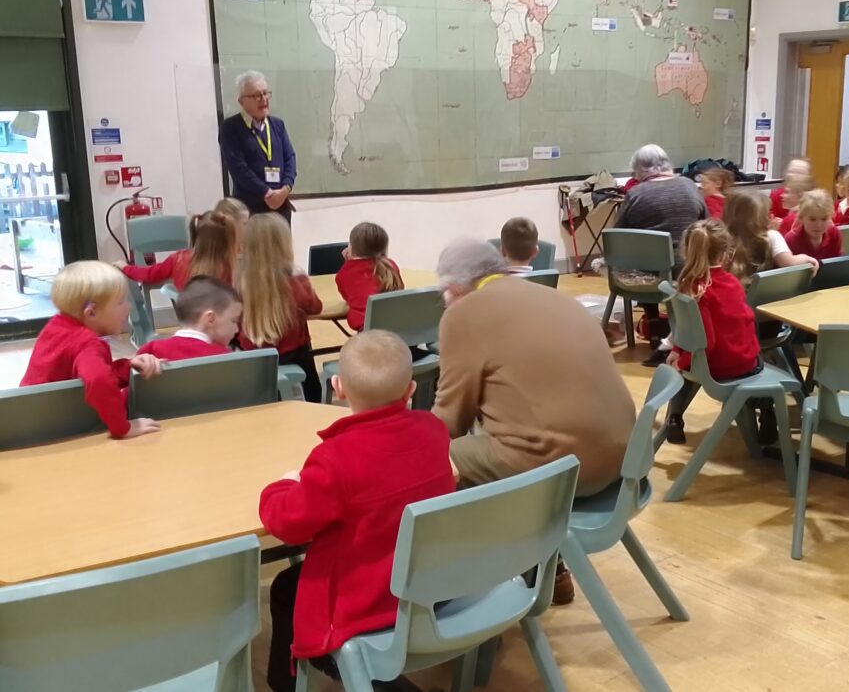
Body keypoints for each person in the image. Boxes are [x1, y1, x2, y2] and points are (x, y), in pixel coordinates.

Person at [432, 239, 636, 603]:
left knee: (433, 461)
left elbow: (448, 422)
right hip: (625, 462)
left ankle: (459, 591)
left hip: (561, 474)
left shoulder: (463, 315)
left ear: (451, 291)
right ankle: (548, 567)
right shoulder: (556, 297)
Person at [261, 330, 455, 692]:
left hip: (366, 605)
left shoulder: (334, 459)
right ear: (411, 389)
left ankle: (290, 682)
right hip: (429, 582)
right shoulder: (434, 430)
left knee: (286, 587)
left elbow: (288, 524)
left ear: (338, 387)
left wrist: (280, 487)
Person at [21, 261, 162, 439]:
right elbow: (98, 380)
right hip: (49, 426)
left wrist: (128, 366)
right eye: (120, 302)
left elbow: (80, 374)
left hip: (27, 411)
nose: (128, 307)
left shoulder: (56, 327)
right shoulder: (87, 344)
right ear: (92, 313)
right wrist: (123, 428)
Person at [662, 220, 765, 445]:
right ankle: (766, 409)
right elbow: (707, 338)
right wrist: (683, 356)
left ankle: (674, 418)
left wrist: (680, 356)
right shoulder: (733, 283)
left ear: (687, 251)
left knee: (686, 368)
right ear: (726, 253)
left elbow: (695, 334)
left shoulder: (691, 287)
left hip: (713, 364)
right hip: (741, 364)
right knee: (765, 360)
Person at [615, 144, 707, 365]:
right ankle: (669, 334)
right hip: (692, 270)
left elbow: (618, 237)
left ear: (640, 170)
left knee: (644, 259)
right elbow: (707, 223)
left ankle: (655, 327)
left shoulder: (635, 194)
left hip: (649, 278)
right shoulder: (689, 186)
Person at [236, 213, 323, 402]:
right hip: (294, 356)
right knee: (305, 354)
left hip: (253, 359)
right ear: (284, 245)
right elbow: (316, 307)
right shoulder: (296, 280)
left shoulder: (238, 284)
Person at [218, 71, 298, 223]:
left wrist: (285, 189)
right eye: (256, 95)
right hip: (250, 210)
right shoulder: (230, 128)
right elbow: (238, 168)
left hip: (280, 208)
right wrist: (266, 193)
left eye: (265, 93)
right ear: (241, 101)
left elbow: (290, 158)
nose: (263, 99)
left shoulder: (277, 125)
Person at [119, 211, 238, 290]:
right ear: (229, 242)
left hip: (188, 318)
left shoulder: (178, 259)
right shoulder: (227, 266)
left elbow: (149, 274)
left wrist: (125, 268)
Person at [138, 276, 242, 361]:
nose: (237, 329)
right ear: (210, 319)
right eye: (234, 321)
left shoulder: (151, 351)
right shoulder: (226, 358)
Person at [725, 191, 820, 278]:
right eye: (768, 212)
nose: (772, 215)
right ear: (761, 218)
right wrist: (807, 258)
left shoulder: (724, 237)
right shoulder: (772, 236)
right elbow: (788, 262)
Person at [335, 222, 405, 331]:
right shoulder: (391, 265)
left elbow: (348, 298)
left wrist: (348, 262)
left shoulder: (345, 273)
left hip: (367, 331)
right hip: (397, 327)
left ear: (352, 248)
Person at [785, 189, 843, 262]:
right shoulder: (791, 240)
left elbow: (838, 263)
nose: (818, 225)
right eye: (812, 219)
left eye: (824, 219)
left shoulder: (834, 234)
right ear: (801, 218)